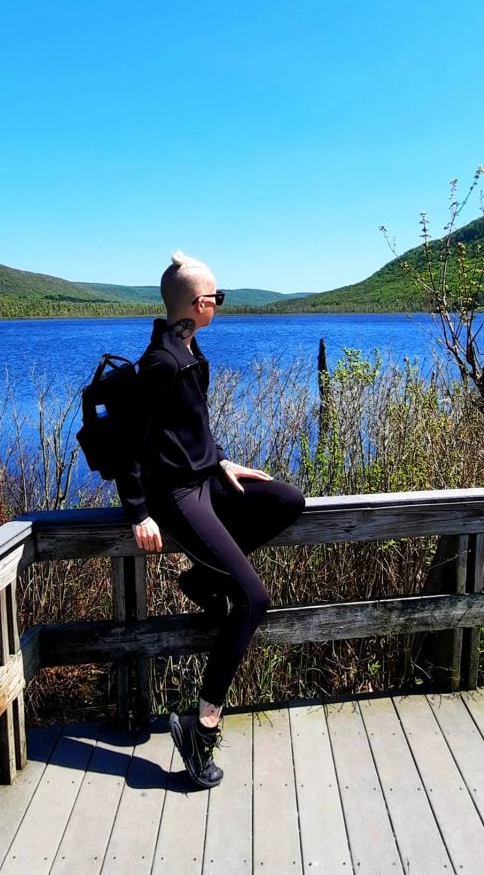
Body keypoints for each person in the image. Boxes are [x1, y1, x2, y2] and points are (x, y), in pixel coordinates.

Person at [115, 250, 305, 788]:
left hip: (205, 481)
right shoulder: (161, 364)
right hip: (176, 498)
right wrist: (139, 514)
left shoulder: (188, 353)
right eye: (216, 297)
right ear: (199, 305)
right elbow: (132, 446)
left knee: (287, 500)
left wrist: (222, 460)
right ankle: (201, 728)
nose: (219, 304)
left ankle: (203, 577)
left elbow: (189, 429)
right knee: (253, 600)